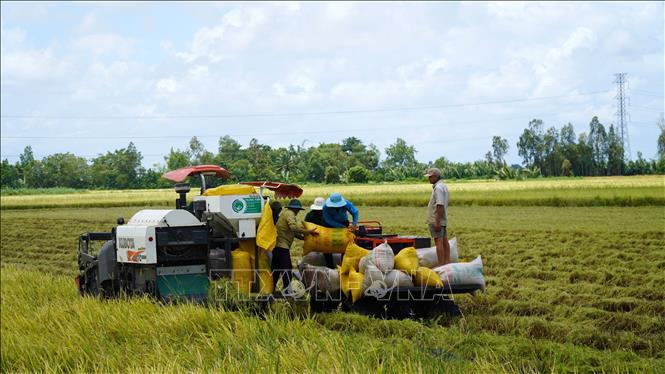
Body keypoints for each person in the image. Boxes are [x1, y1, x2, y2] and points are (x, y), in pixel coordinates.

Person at [273, 198, 318, 294]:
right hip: (282, 246)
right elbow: (293, 227)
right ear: (295, 209)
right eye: (298, 210)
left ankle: (271, 288)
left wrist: (303, 238)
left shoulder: (286, 213)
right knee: (287, 268)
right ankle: (287, 290)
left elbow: (292, 232)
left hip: (277, 246)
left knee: (276, 269)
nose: (298, 212)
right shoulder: (290, 214)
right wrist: (308, 232)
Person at [425, 167, 450, 266]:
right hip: (442, 218)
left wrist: (437, 221)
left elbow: (440, 205)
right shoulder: (443, 186)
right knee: (444, 240)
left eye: (430, 177)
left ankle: (441, 265)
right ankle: (447, 262)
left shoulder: (438, 188)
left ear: (435, 177)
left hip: (437, 219)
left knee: (438, 242)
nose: (429, 179)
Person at [304, 197, 336, 268]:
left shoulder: (327, 215)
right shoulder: (310, 215)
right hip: (313, 236)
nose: (319, 211)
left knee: (327, 249)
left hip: (325, 236)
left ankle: (330, 266)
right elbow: (306, 226)